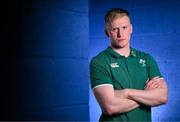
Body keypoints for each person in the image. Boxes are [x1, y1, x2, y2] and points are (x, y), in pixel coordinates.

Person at [89, 8, 168, 121]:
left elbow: (162, 97)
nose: (120, 34)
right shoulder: (99, 62)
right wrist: (146, 94)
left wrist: (126, 92)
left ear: (131, 28)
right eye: (115, 29)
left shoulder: (147, 59)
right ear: (106, 32)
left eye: (124, 28)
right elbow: (110, 107)